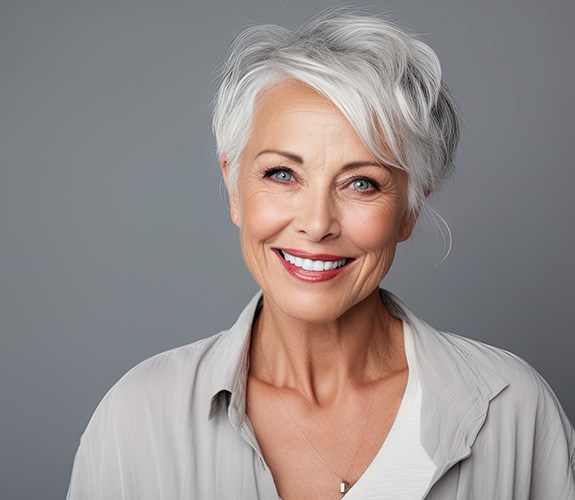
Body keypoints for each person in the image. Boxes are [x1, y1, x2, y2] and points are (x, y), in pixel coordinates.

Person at [67, 10, 575, 500]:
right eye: (282, 174)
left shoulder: (513, 409)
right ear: (233, 187)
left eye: (361, 183)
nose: (316, 223)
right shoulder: (137, 419)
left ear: (409, 209)